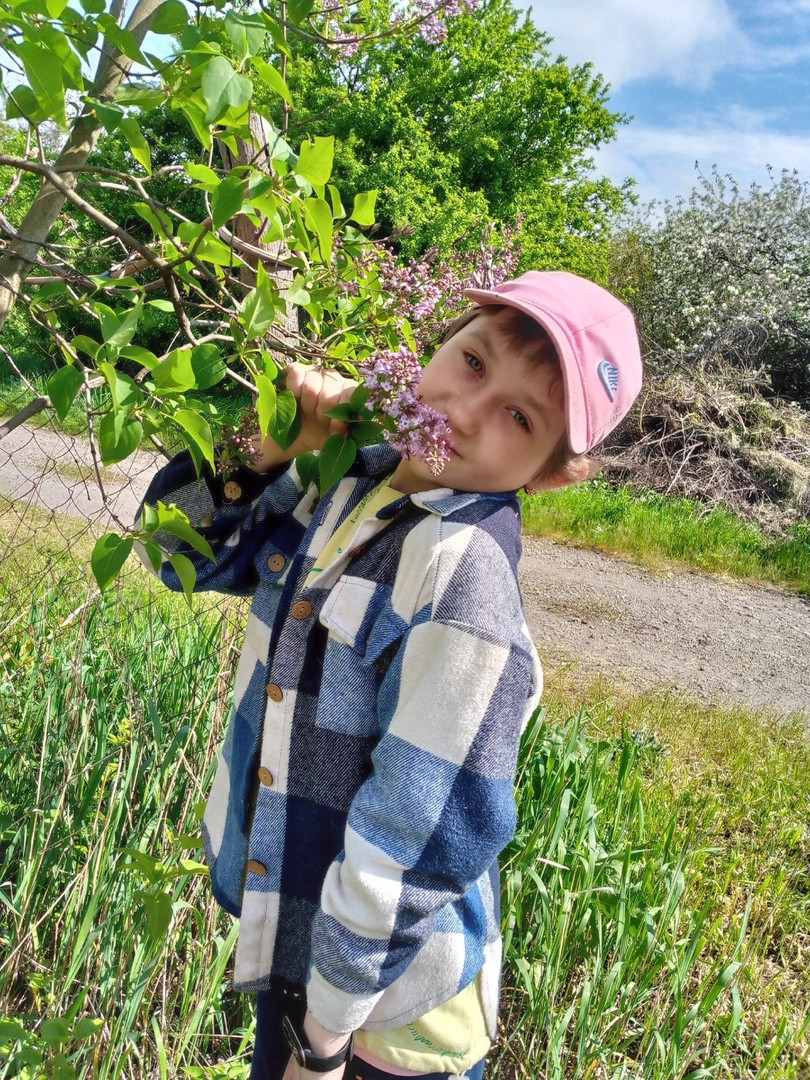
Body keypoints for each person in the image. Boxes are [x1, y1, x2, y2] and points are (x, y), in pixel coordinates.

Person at [137, 270, 643, 1080]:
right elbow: (175, 551)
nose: (464, 413)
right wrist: (272, 443)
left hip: (386, 1019)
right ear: (434, 342)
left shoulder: (463, 577)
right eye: (472, 361)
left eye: (520, 417)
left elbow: (415, 837)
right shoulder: (348, 476)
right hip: (306, 953)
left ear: (554, 473)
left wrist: (322, 1044)